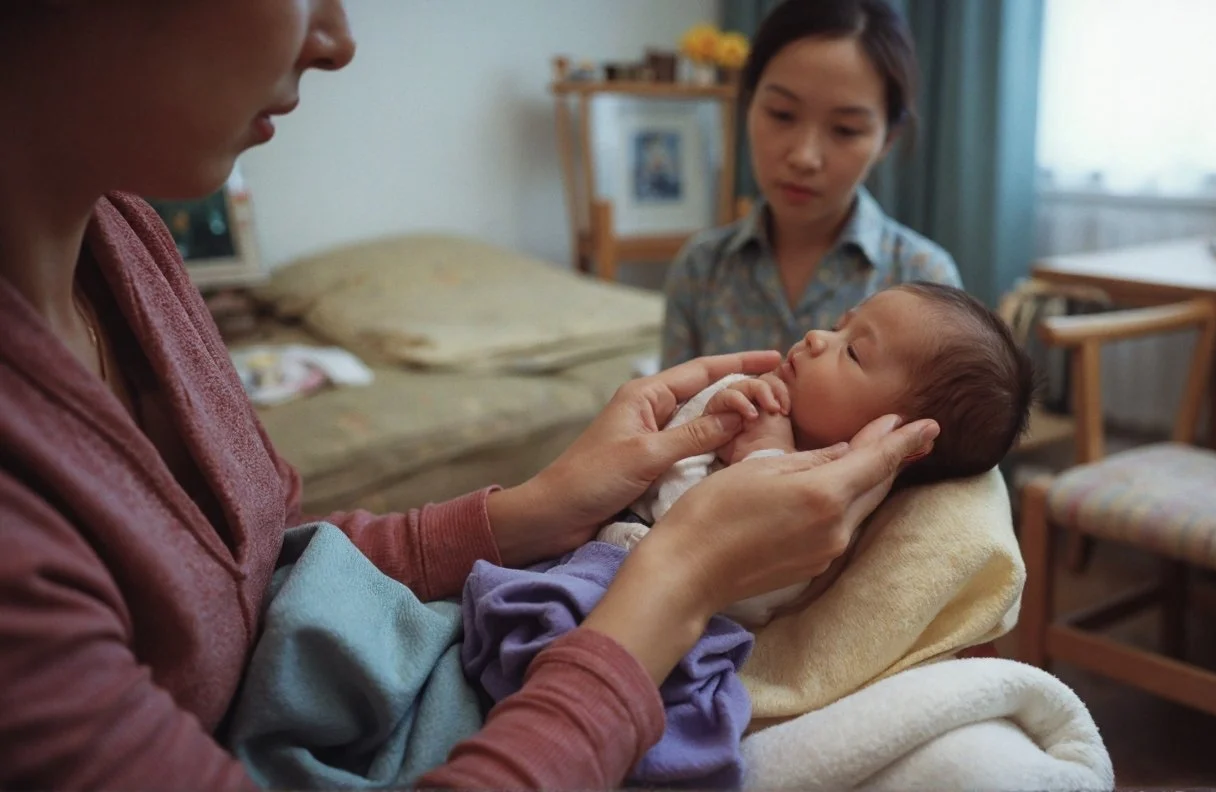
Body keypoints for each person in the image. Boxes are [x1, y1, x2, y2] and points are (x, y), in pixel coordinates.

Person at [0, 2, 940, 790]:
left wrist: (531, 509)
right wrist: (681, 575)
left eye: (845, 128)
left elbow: (259, 565)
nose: (339, 39)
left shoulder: (129, 243)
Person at [606, 282, 1034, 625]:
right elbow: (653, 469)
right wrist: (710, 412)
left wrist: (763, 457)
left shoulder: (825, 512)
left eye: (853, 352)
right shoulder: (751, 398)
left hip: (640, 603)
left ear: (897, 437)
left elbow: (737, 591)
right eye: (837, 326)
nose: (816, 337)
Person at [661, 0, 963, 370]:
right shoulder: (701, 269)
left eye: (845, 130)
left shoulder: (923, 278)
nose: (804, 157)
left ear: (888, 138)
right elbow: (670, 403)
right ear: (749, 103)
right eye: (782, 114)